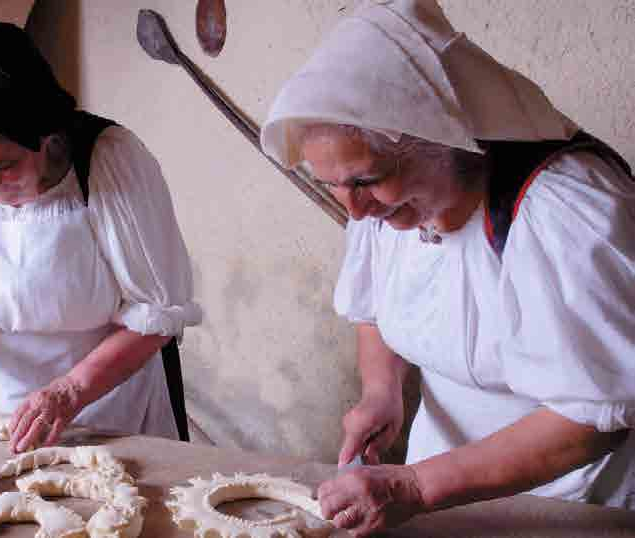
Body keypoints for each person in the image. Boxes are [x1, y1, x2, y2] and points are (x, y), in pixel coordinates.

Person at [260, 0, 634, 535]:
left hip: (568, 502)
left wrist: (413, 486)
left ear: (439, 141)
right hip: (436, 487)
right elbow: (373, 309)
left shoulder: (563, 211)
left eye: (365, 181)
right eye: (333, 186)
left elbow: (594, 418)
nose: (354, 210)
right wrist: (380, 391)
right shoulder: (386, 208)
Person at [0, 23, 201, 453]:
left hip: (107, 421)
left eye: (4, 166)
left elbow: (157, 315)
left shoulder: (107, 164)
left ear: (43, 137)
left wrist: (69, 391)